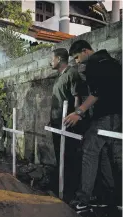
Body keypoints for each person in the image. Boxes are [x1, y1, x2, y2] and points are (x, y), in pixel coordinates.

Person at [64, 40, 122, 214]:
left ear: (85, 51)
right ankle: (111, 196)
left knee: (89, 150)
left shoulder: (94, 64)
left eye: (77, 57)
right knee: (108, 154)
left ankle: (83, 199)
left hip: (105, 115)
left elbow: (97, 92)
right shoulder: (112, 62)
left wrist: (79, 112)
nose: (77, 62)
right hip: (118, 116)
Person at [48, 48, 89, 202]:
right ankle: (61, 188)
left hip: (67, 123)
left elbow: (77, 97)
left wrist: (76, 117)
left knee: (69, 157)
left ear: (59, 59)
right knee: (60, 155)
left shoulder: (71, 73)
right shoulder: (60, 76)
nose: (51, 62)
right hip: (57, 122)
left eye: (52, 59)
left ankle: (69, 192)